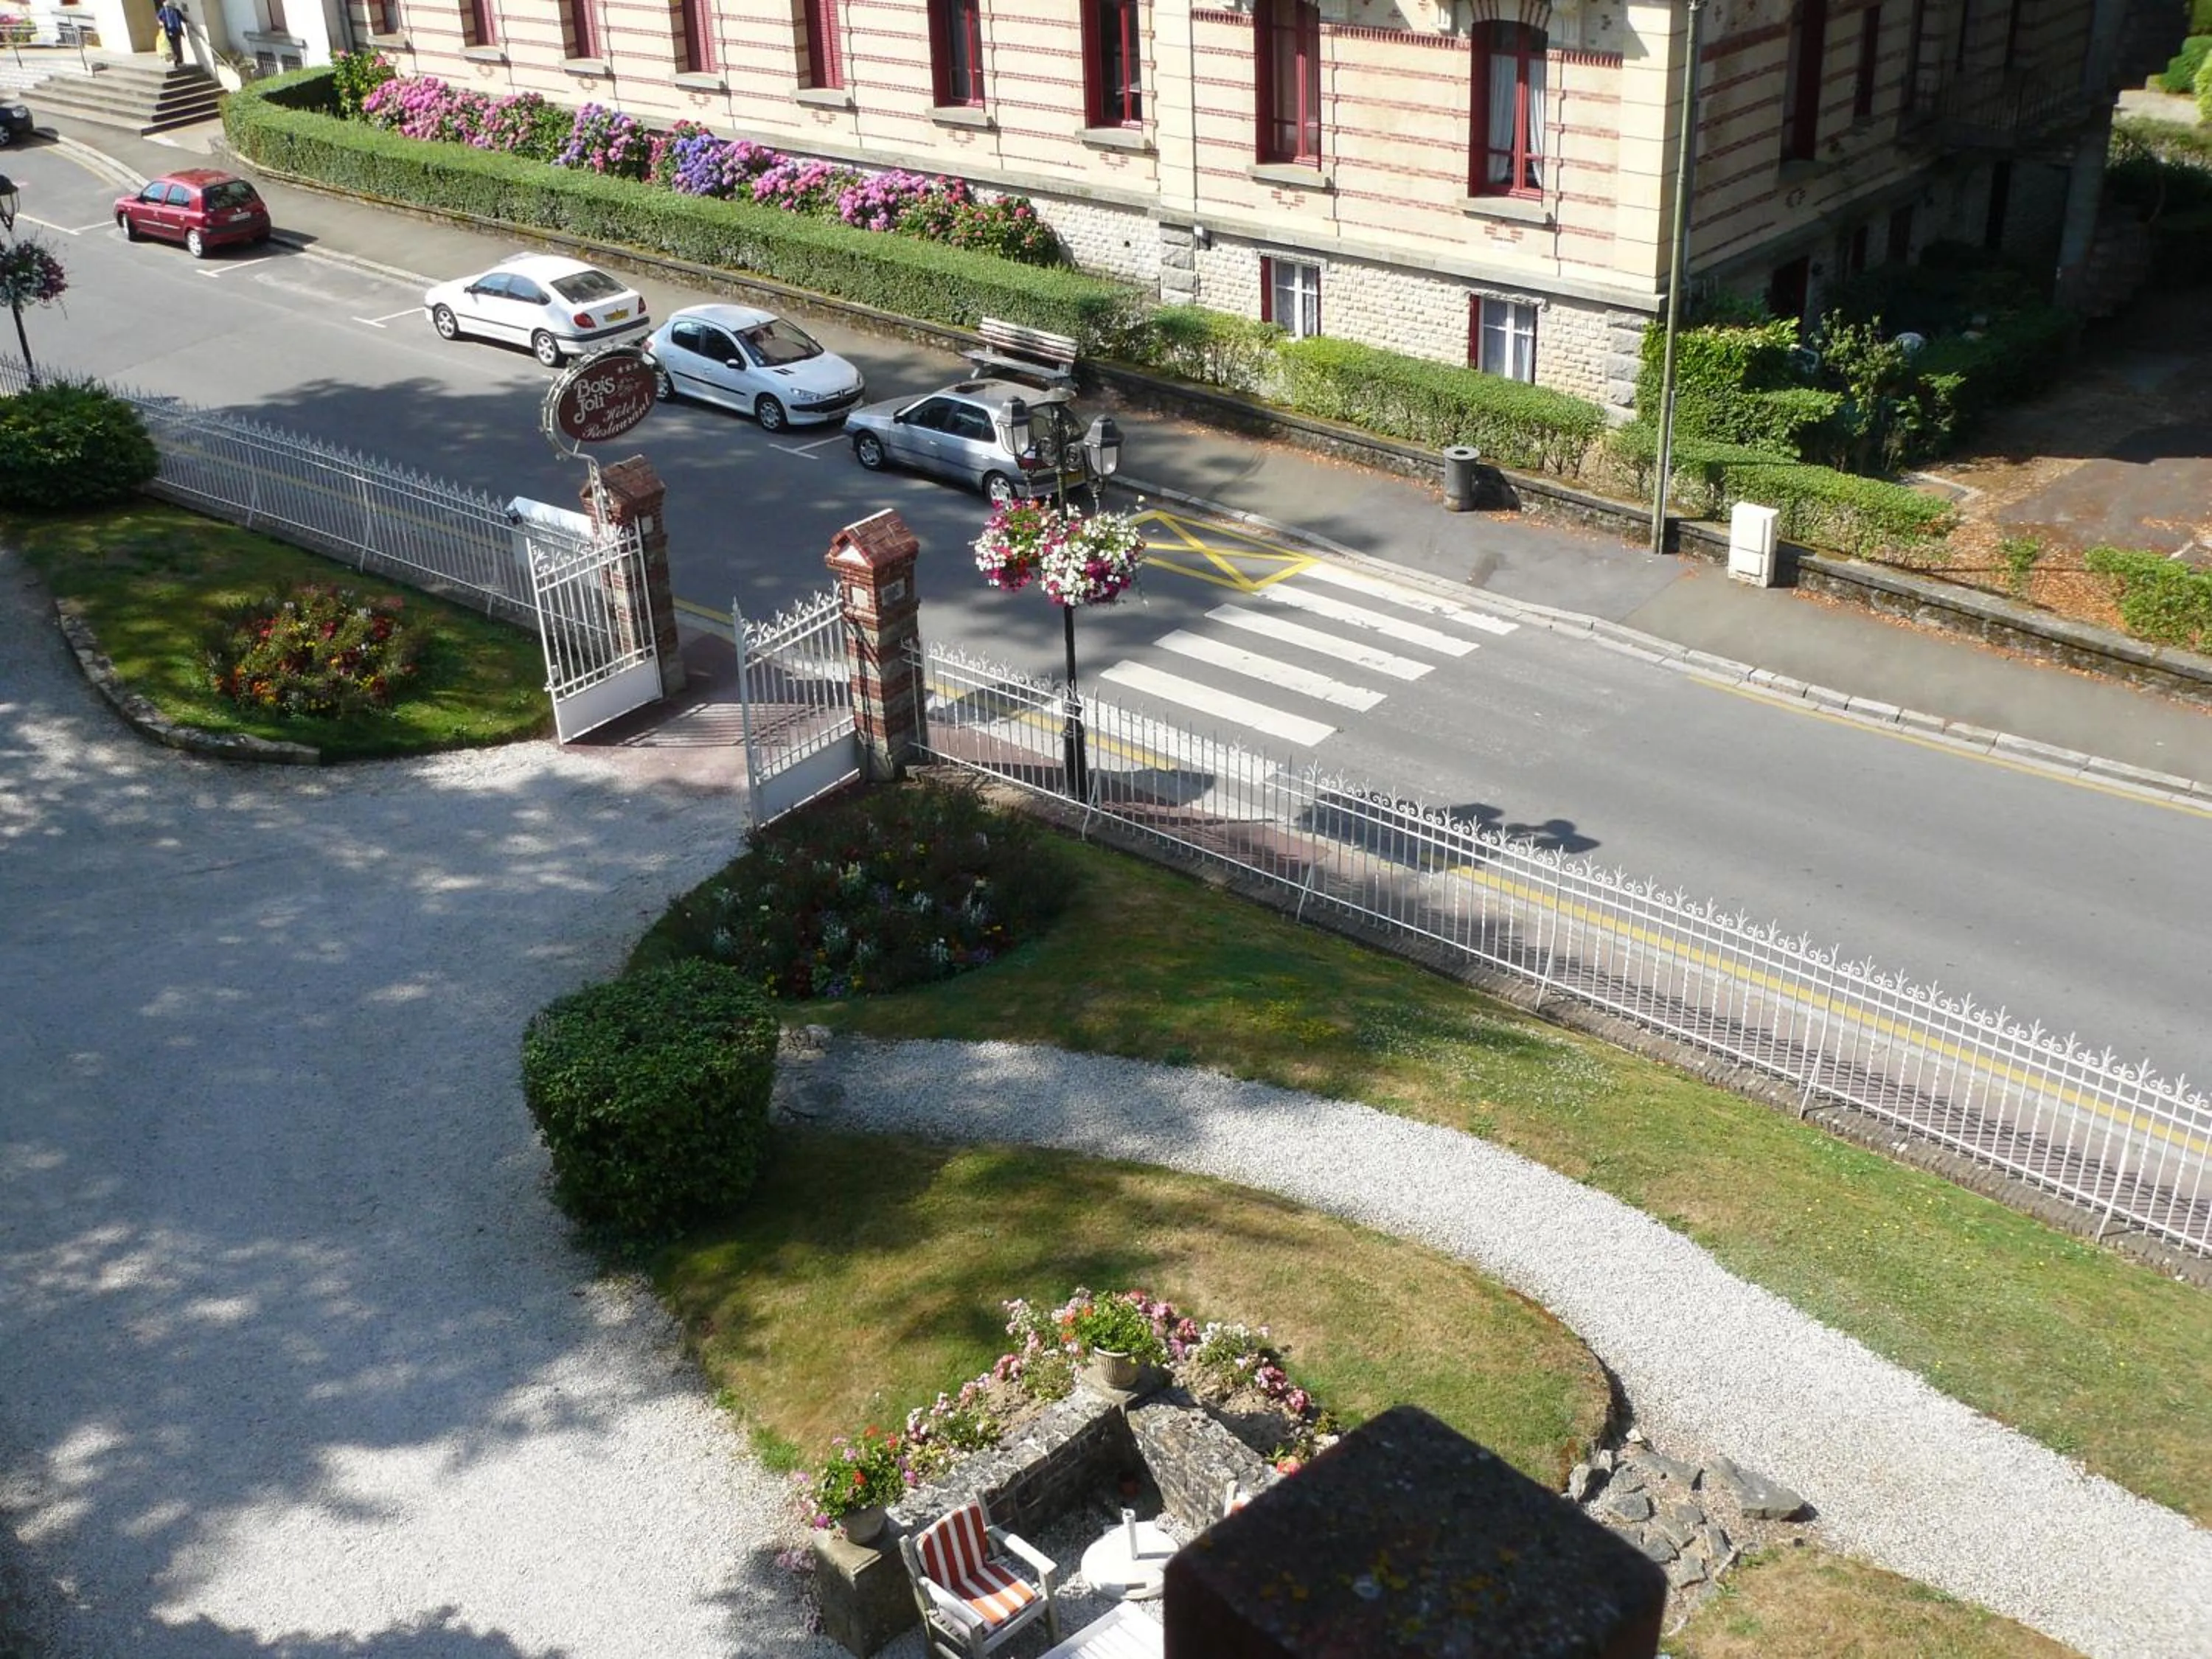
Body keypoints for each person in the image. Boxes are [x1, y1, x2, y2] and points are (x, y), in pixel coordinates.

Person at [154, 0, 186, 66]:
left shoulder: (166, 11)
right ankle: (178, 62)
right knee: (175, 47)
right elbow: (158, 18)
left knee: (175, 47)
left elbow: (158, 18)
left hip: (173, 32)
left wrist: (161, 23)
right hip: (172, 32)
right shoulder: (168, 11)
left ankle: (177, 61)